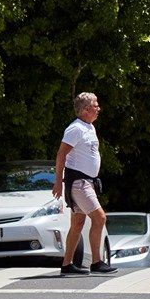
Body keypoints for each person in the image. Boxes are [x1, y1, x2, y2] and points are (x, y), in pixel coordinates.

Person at [52, 92, 113, 276]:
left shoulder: (89, 127)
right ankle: (97, 262)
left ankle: (67, 264)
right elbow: (61, 154)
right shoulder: (76, 129)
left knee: (78, 223)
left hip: (86, 182)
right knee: (100, 218)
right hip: (79, 183)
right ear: (86, 109)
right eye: (95, 105)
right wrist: (58, 182)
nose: (98, 108)